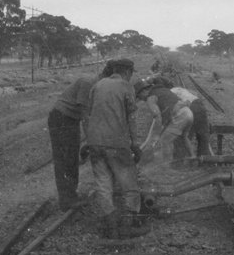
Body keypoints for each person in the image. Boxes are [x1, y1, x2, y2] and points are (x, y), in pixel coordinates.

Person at [87, 59, 149, 239]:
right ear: (128, 72)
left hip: (95, 143)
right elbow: (131, 119)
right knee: (129, 184)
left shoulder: (98, 85)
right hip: (116, 143)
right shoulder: (126, 86)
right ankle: (128, 225)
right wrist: (134, 144)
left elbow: (90, 113)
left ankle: (111, 225)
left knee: (103, 184)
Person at [48, 73, 97, 212]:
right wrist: (91, 140)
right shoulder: (88, 83)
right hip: (62, 118)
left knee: (71, 157)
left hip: (70, 118)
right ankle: (66, 199)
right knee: (65, 158)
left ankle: (71, 195)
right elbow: (85, 116)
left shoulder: (96, 84)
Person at [134, 79, 195, 169]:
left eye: (139, 97)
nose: (141, 100)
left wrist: (157, 136)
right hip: (188, 112)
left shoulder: (150, 98)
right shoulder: (163, 90)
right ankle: (193, 158)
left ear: (143, 92)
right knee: (184, 137)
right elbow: (168, 110)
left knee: (163, 142)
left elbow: (158, 117)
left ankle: (164, 168)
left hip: (179, 116)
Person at [169, 86, 214, 157]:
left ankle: (178, 163)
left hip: (189, 108)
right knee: (202, 136)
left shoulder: (169, 93)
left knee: (182, 136)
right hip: (200, 106)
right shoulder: (180, 89)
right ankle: (204, 160)